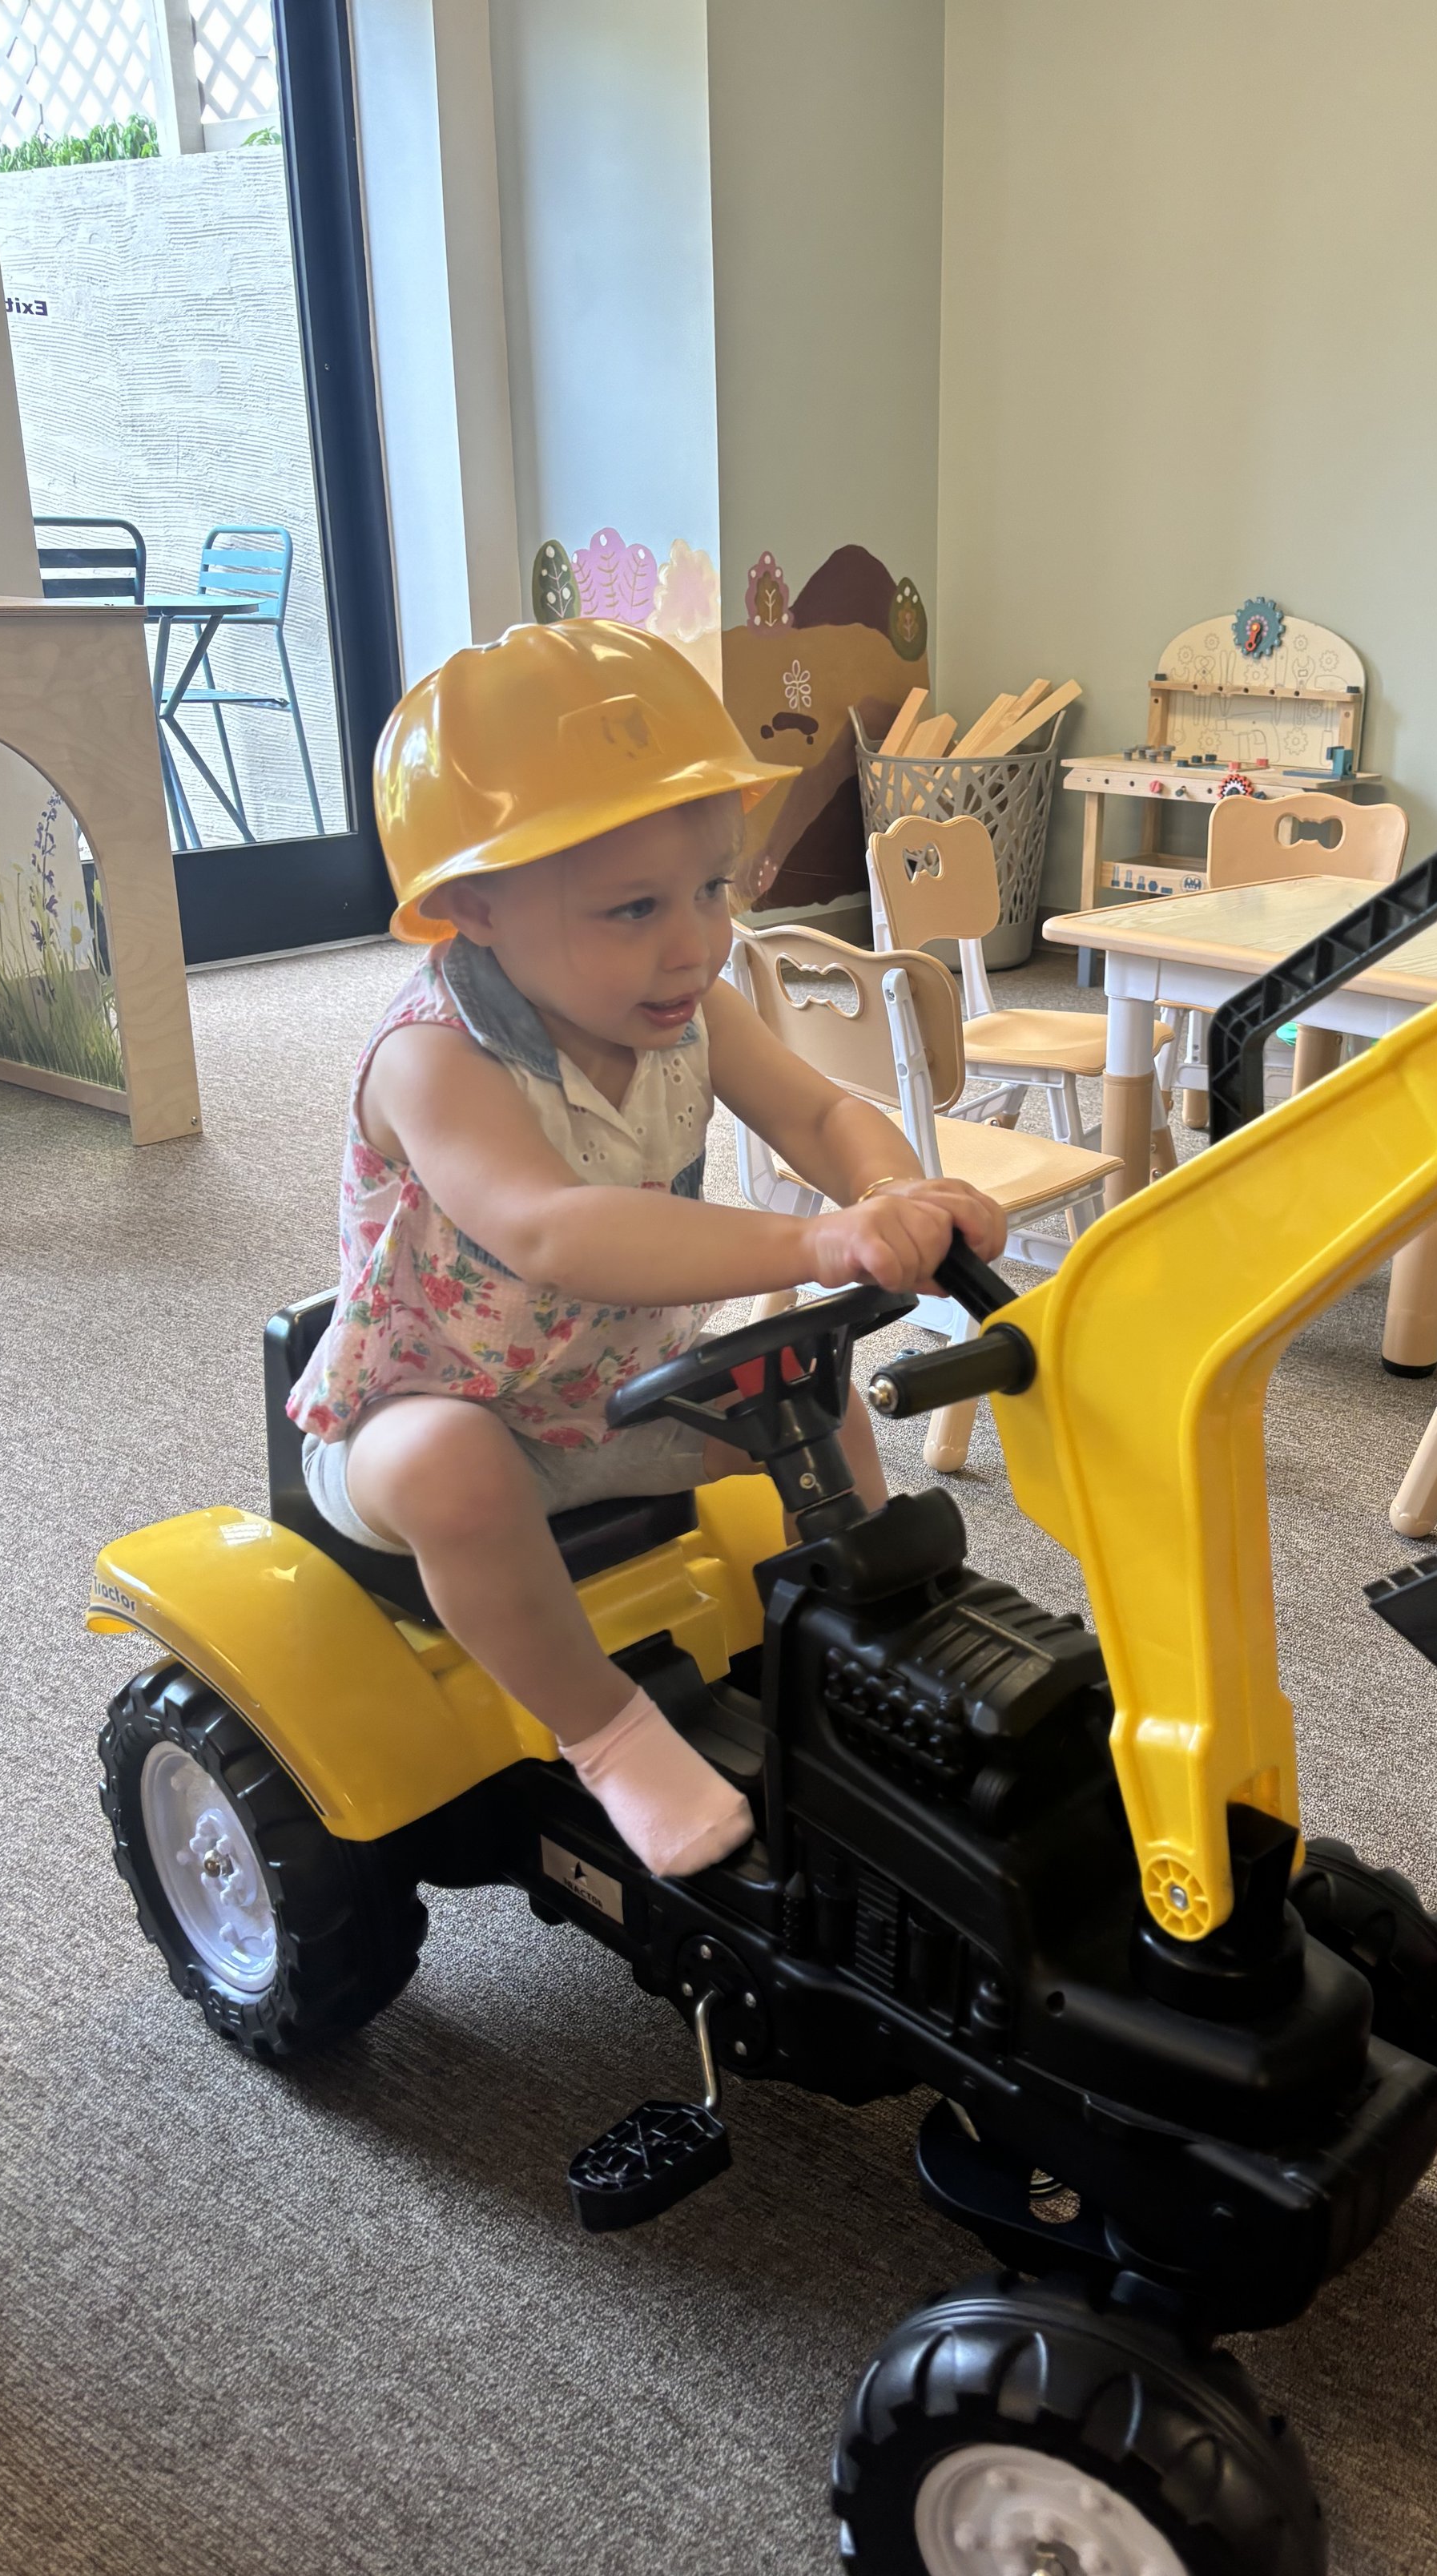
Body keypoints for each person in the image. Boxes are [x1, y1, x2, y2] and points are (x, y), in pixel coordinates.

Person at [288, 622, 1005, 1882]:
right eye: (635, 907)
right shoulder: (432, 1059)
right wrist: (814, 1237)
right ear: (471, 906)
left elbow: (818, 1111)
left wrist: (894, 1187)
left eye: (714, 890)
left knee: (819, 1398)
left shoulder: (688, 1008)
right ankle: (610, 1733)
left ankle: (876, 1644)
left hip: (615, 1392)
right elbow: (551, 1229)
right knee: (454, 1469)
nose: (695, 942)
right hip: (424, 1407)